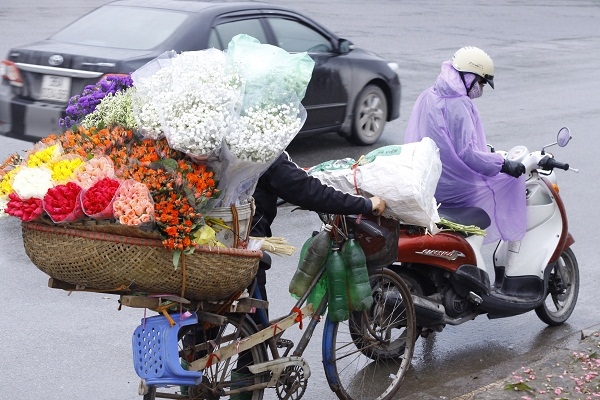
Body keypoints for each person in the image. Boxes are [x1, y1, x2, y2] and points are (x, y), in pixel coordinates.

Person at [404, 46, 526, 244]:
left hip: (428, 181)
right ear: (469, 77)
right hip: (453, 187)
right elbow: (468, 154)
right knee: (503, 186)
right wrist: (502, 164)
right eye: (481, 82)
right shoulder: (458, 104)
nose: (481, 89)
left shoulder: (430, 94)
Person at [250, 150, 385, 309]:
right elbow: (308, 191)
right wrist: (366, 204)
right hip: (245, 245)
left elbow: (293, 180)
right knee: (253, 324)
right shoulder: (261, 152)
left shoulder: (226, 147)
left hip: (218, 241)